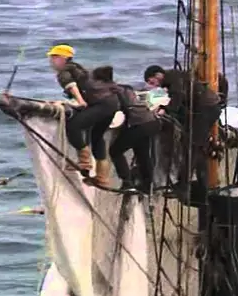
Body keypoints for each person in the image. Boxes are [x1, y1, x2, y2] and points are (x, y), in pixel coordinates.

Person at [143, 65, 223, 195]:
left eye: (153, 82)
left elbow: (178, 97)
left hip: (206, 109)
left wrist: (166, 109)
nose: (154, 86)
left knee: (192, 146)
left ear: (158, 75)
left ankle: (184, 184)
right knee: (195, 145)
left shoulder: (173, 78)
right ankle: (201, 182)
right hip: (202, 109)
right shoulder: (174, 79)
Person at [47, 45, 119, 186]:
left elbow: (71, 85)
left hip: (101, 105)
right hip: (112, 104)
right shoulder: (79, 68)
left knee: (74, 126)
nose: (51, 61)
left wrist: (80, 102)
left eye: (54, 57)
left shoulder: (65, 71)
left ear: (64, 58)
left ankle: (85, 163)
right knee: (97, 137)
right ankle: (102, 177)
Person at [93, 66, 161, 194]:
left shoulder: (110, 90)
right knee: (142, 153)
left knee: (115, 151)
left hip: (141, 124)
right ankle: (148, 186)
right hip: (152, 123)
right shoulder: (124, 87)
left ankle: (127, 182)